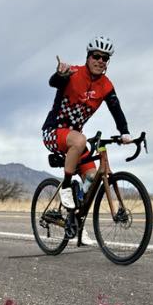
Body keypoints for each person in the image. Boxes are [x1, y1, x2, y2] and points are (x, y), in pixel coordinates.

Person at [42, 35, 132, 211]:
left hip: (75, 140)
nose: (100, 61)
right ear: (88, 57)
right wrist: (60, 74)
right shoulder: (73, 73)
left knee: (91, 179)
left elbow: (116, 108)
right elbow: (54, 82)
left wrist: (125, 132)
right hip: (54, 131)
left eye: (105, 58)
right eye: (96, 56)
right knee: (80, 139)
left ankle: (75, 219)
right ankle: (66, 187)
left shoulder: (105, 85)